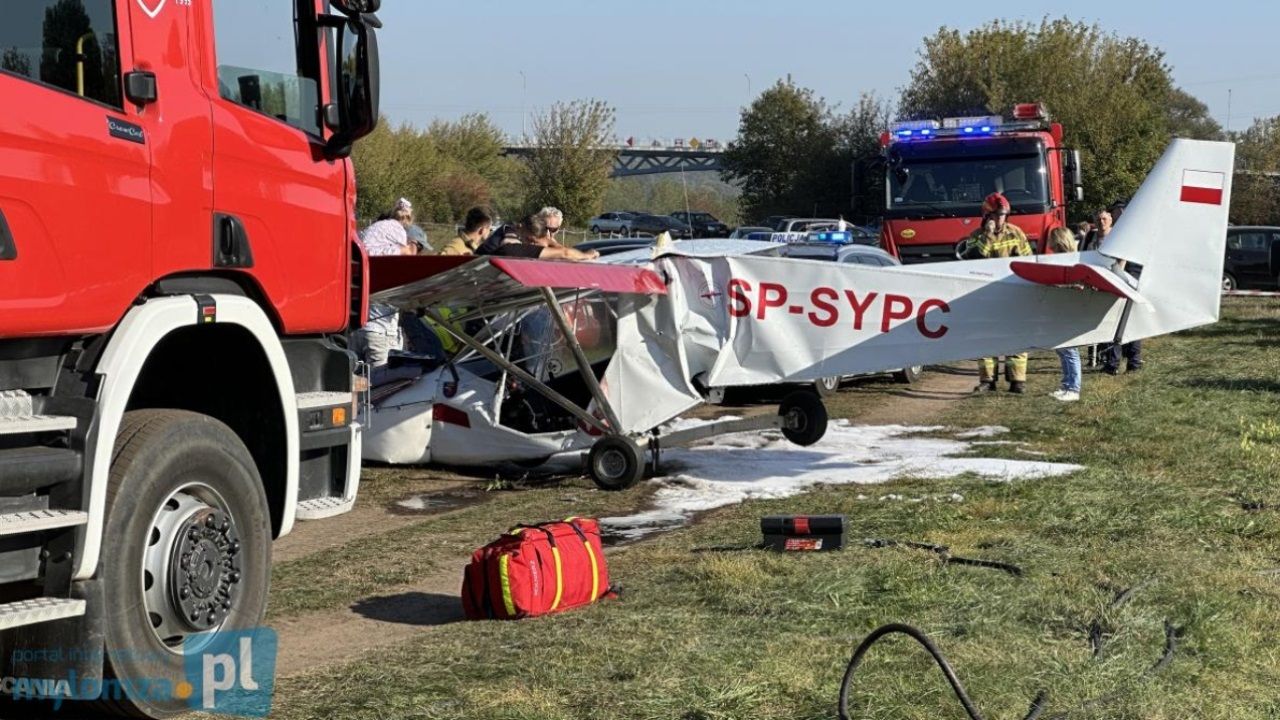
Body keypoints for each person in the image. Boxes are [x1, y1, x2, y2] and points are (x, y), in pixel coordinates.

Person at [962, 192, 1034, 393]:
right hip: (987, 295)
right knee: (986, 336)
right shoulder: (976, 236)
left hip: (1014, 295)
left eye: (1003, 215)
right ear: (986, 216)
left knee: (1016, 335)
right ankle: (988, 380)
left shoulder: (1016, 233)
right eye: (996, 215)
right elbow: (975, 259)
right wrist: (988, 234)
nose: (1000, 218)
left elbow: (1028, 261)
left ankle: (1017, 381)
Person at [1096, 199, 1143, 374]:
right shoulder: (1118, 232)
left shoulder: (1130, 231)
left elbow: (1124, 257)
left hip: (1131, 275)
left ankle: (1133, 361)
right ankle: (1115, 363)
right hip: (1120, 276)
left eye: (1123, 210)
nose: (1121, 213)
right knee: (1115, 320)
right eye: (1118, 210)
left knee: (1129, 319)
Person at [1046, 227, 1082, 401]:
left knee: (1069, 348)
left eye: (1052, 241)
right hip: (1060, 307)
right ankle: (1067, 385)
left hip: (1069, 308)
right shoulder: (1059, 260)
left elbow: (1077, 284)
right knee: (1062, 348)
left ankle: (1073, 388)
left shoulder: (1073, 260)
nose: (1049, 244)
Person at [481, 214, 599, 261]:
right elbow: (564, 253)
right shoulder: (511, 242)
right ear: (520, 227)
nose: (532, 245)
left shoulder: (522, 234)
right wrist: (587, 255)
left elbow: (557, 248)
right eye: (530, 240)